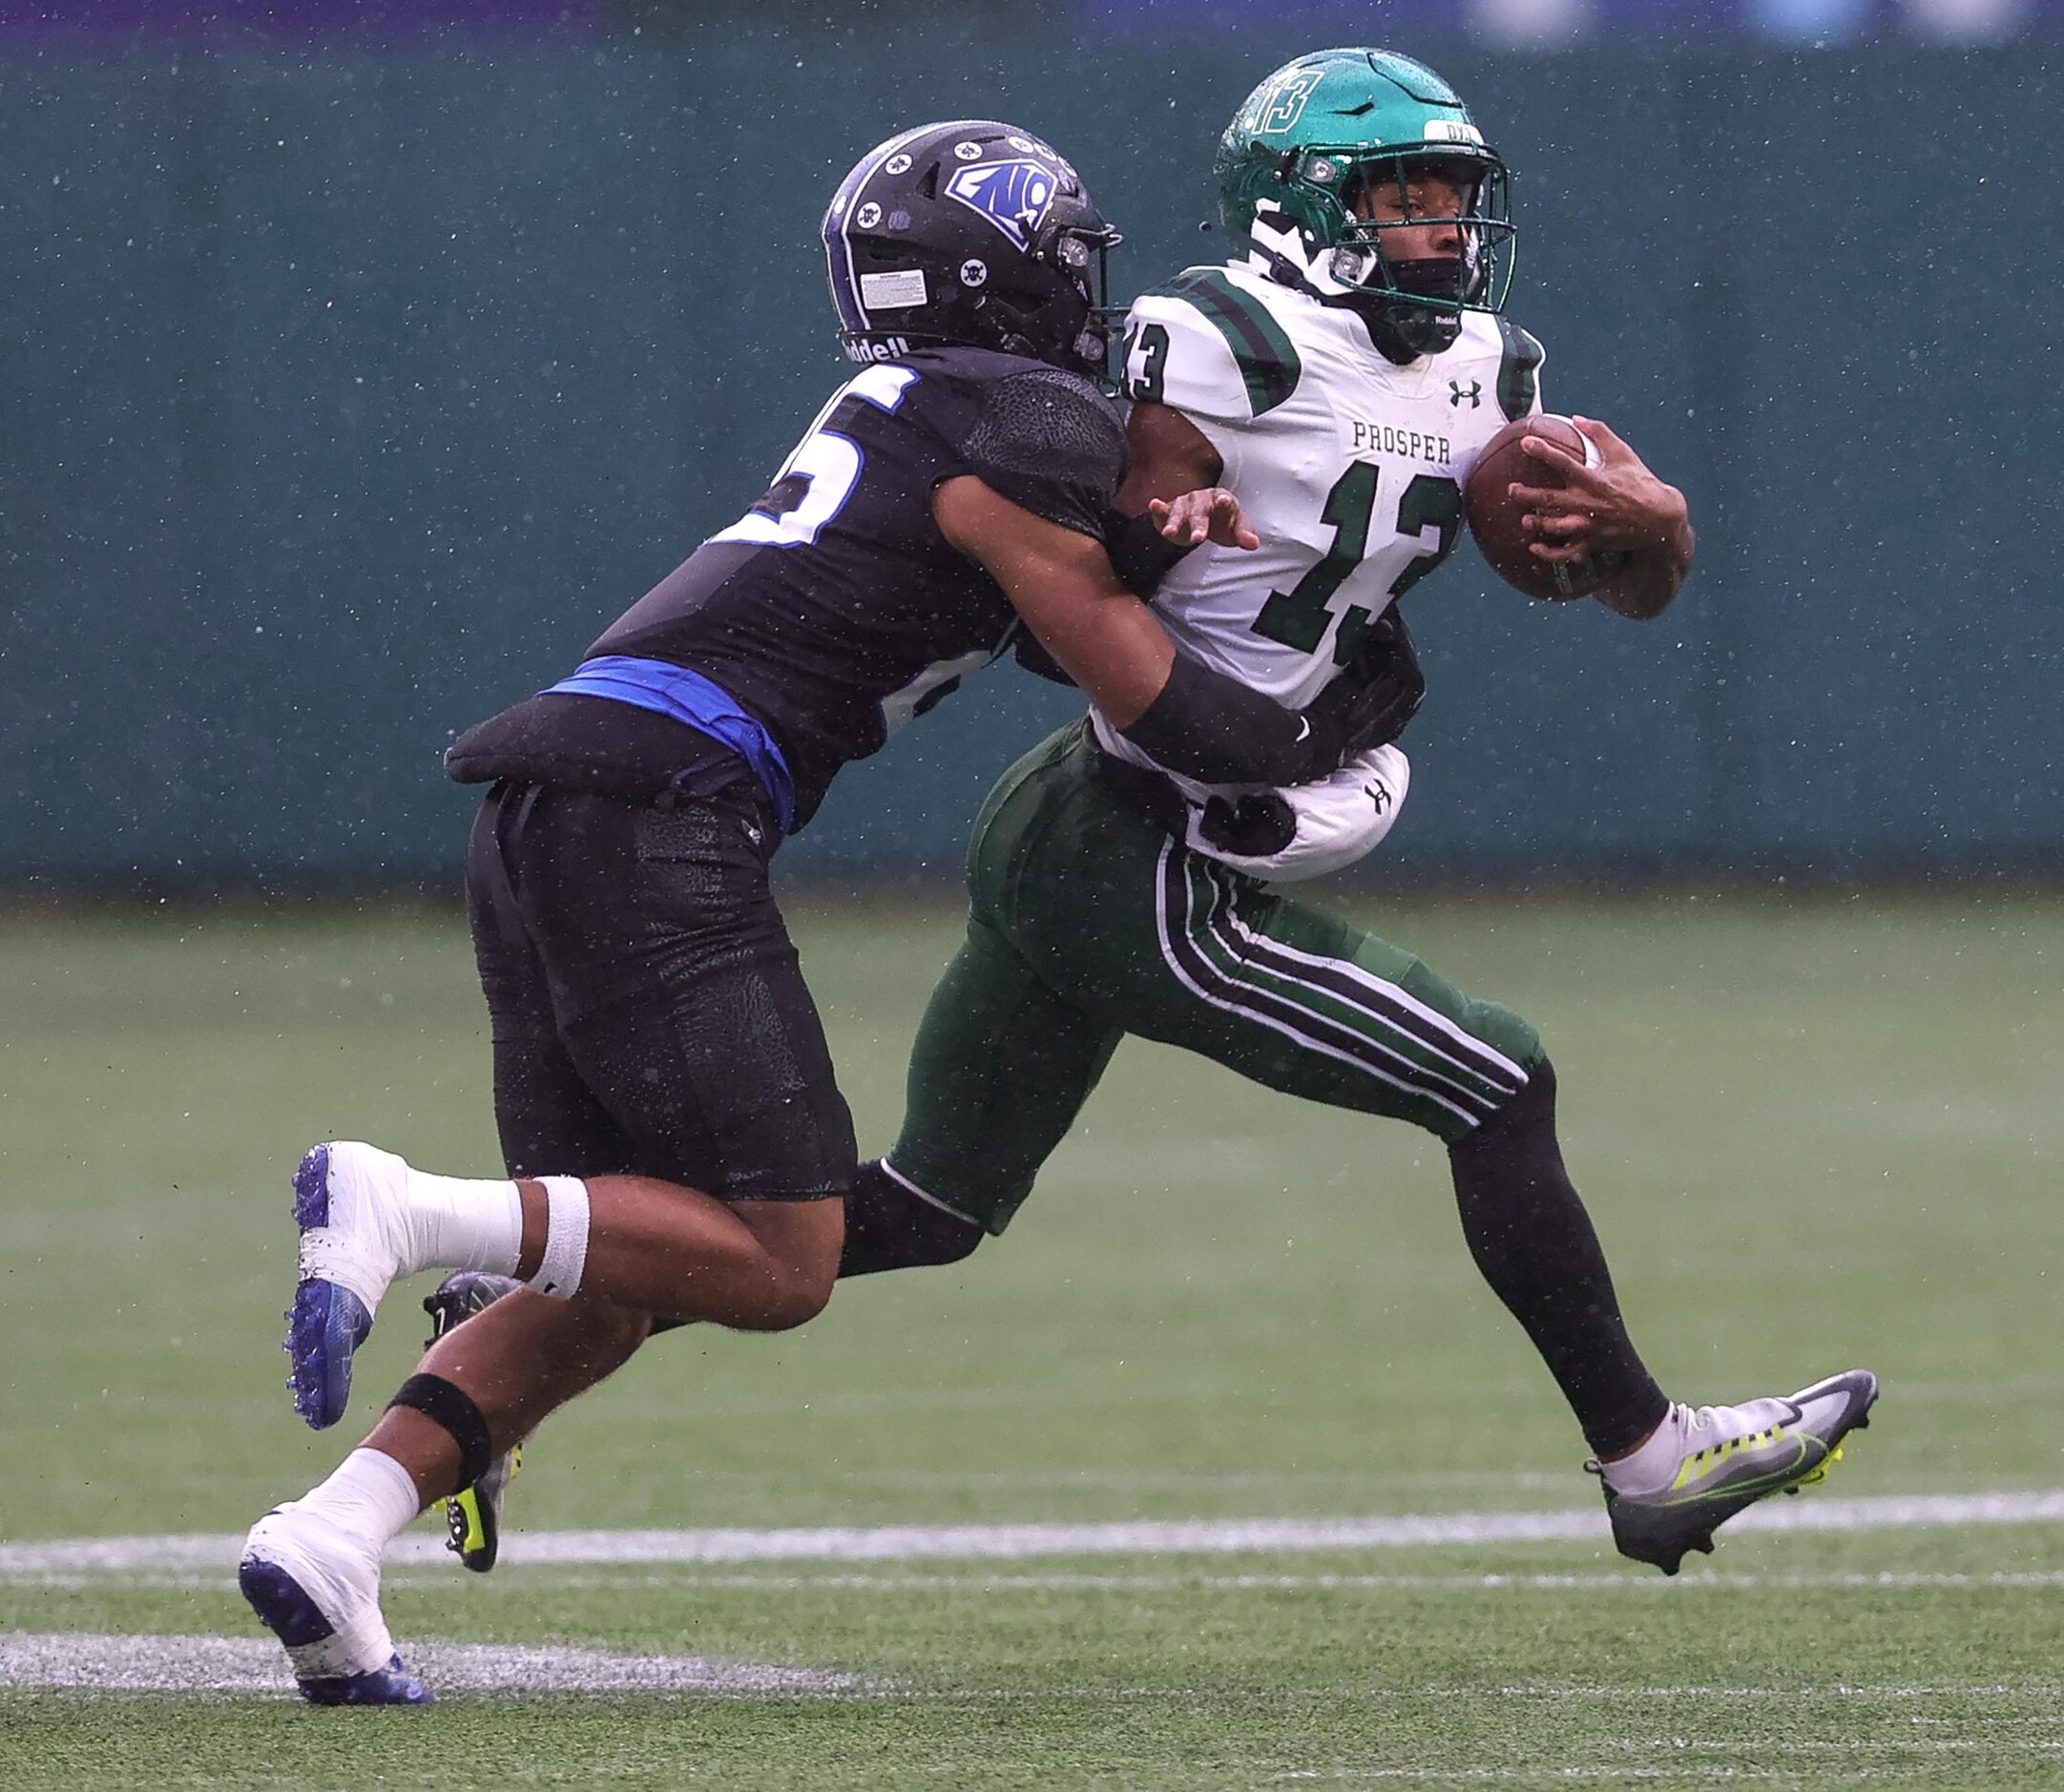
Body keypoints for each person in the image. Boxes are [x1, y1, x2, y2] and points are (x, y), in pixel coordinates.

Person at [434, 52, 1877, 1585]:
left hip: (1101, 831)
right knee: (1497, 1079)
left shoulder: (1494, 373)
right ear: (1303, 207)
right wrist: (1256, 664)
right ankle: (1651, 1459)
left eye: (1453, 197)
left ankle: (502, 1333)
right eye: (1400, 197)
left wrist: (1659, 528)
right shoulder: (1200, 341)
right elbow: (1067, 620)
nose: (1439, 230)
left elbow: (1631, 586)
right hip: (1151, 844)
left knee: (921, 1210)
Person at [236, 116, 1415, 1707]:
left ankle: (332, 1537)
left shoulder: (947, 414)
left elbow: (1022, 565)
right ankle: (406, 1205)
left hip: (553, 812)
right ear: (1008, 276)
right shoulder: (1030, 423)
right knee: (786, 1260)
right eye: (1064, 261)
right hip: (661, 815)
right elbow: (1158, 706)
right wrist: (1350, 732)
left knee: (622, 1279)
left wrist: (1151, 530)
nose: (1086, 293)